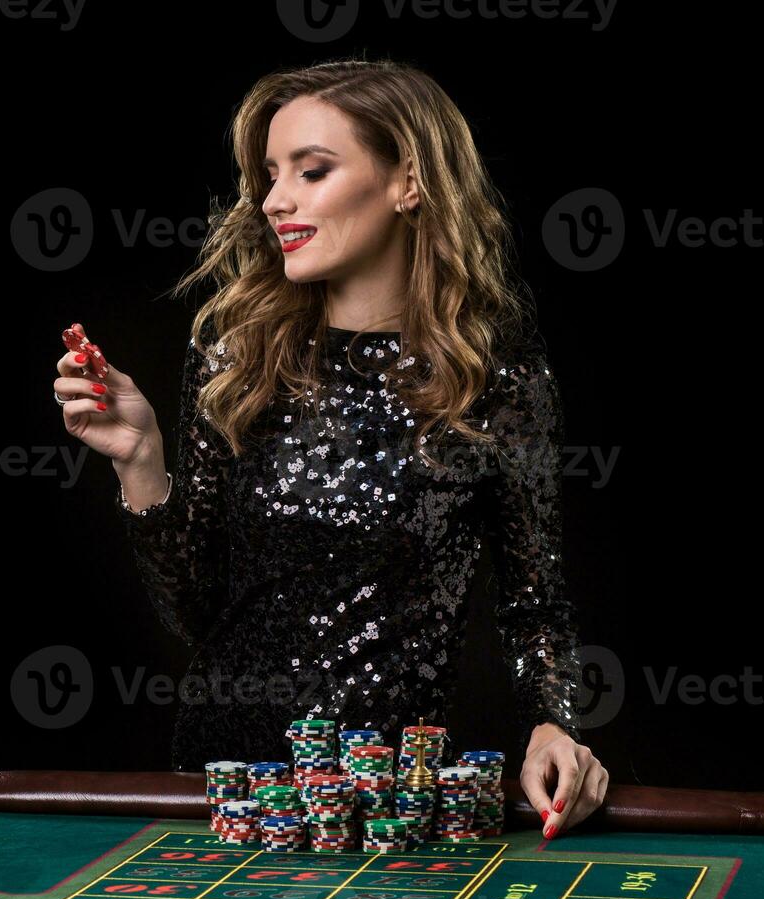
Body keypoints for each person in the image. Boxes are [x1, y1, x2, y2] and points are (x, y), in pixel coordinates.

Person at [52, 57, 607, 838]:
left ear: (407, 181)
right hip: (227, 785)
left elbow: (534, 600)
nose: (275, 200)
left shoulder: (495, 377)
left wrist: (555, 725)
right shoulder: (236, 352)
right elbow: (203, 611)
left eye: (311, 171)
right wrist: (140, 458)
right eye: (271, 176)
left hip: (386, 797)